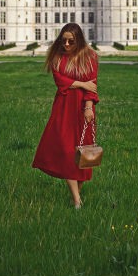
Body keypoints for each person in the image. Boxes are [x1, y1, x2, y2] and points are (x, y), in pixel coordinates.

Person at [32, 23, 100, 209]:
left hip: (82, 108)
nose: (67, 44)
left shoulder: (90, 56)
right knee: (67, 151)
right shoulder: (58, 57)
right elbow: (59, 81)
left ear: (79, 39)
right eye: (63, 40)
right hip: (63, 106)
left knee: (84, 154)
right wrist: (82, 83)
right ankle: (77, 200)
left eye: (71, 41)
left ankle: (75, 193)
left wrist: (88, 107)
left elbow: (93, 85)